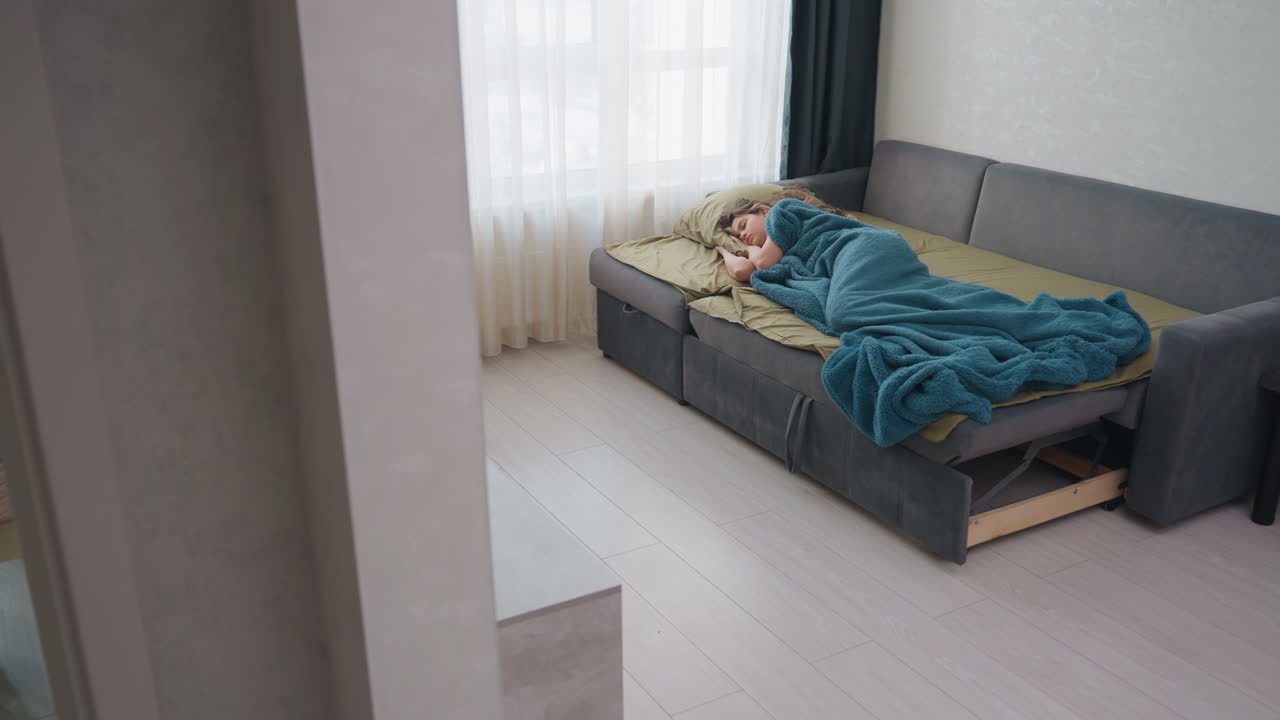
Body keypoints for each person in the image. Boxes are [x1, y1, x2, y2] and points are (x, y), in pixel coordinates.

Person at [716, 199, 784, 282]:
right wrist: (723, 250)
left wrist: (748, 247)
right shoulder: (768, 253)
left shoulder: (781, 216)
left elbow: (763, 263)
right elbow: (741, 270)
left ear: (764, 212)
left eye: (743, 225)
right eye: (739, 237)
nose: (742, 235)